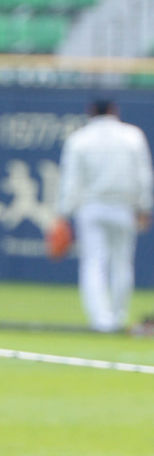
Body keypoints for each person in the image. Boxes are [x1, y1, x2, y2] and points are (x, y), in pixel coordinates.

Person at [55, 99, 153, 332]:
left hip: (92, 208)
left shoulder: (79, 139)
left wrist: (63, 214)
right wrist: (144, 207)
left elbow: (71, 180)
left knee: (93, 263)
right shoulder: (132, 136)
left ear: (90, 112)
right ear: (113, 111)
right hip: (123, 207)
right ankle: (117, 317)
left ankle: (101, 321)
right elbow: (143, 175)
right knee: (122, 264)